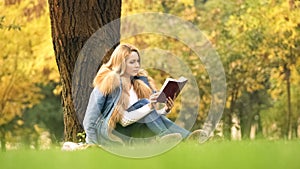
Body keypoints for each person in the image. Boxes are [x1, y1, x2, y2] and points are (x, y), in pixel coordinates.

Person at [82, 43, 205, 146]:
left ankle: (189, 139)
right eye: (132, 62)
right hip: (112, 133)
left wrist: (165, 110)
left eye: (138, 61)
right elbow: (97, 119)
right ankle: (168, 137)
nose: (137, 65)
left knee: (144, 105)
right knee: (143, 103)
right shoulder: (107, 83)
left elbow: (149, 116)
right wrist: (92, 143)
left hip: (134, 130)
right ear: (121, 63)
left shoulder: (141, 82)